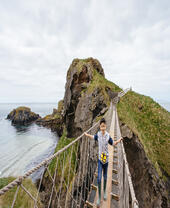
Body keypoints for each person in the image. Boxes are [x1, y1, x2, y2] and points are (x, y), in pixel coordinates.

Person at [84, 118, 123, 207]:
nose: (103, 128)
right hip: (100, 160)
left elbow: (113, 143)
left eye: (104, 126)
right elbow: (92, 137)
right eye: (101, 126)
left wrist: (119, 140)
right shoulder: (98, 135)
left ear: (106, 126)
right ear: (100, 126)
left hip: (106, 160)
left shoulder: (108, 136)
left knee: (105, 178)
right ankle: (99, 197)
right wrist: (86, 134)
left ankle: (105, 192)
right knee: (98, 179)